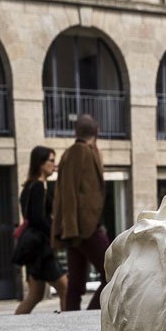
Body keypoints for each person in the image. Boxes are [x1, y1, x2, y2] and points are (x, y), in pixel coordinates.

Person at [52, 114, 109, 311]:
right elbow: (68, 193)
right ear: (98, 132)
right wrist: (72, 230)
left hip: (79, 228)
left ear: (76, 132)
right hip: (83, 228)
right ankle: (90, 317)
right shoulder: (78, 151)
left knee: (75, 284)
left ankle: (73, 326)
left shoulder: (84, 151)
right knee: (114, 271)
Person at [12, 145, 67, 315]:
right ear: (40, 163)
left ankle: (12, 328)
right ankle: (70, 328)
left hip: (34, 250)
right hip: (41, 250)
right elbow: (37, 218)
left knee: (35, 295)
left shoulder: (29, 186)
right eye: (51, 160)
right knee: (66, 288)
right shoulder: (37, 187)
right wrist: (56, 232)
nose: (54, 164)